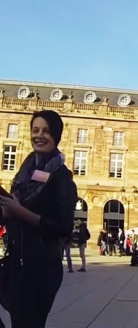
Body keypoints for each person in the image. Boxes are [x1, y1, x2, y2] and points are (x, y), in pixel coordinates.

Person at [0, 110, 77, 327]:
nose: (39, 135)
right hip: (15, 262)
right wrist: (7, 212)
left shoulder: (61, 176)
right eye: (35, 130)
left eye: (46, 131)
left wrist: (19, 211)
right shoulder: (25, 173)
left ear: (56, 136)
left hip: (41, 268)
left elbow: (63, 226)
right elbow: (14, 214)